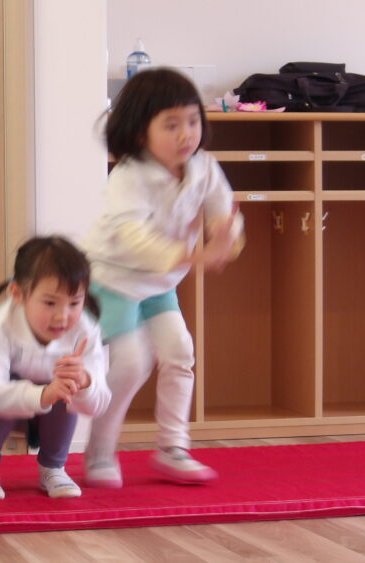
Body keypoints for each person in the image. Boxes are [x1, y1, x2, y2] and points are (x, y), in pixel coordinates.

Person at [81, 68, 244, 488]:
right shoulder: (129, 176)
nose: (186, 133)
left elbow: (224, 215)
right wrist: (194, 255)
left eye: (192, 121)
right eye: (171, 125)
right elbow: (135, 239)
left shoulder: (204, 168)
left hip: (160, 283)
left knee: (179, 352)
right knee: (131, 363)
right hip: (113, 279)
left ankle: (173, 447)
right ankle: (100, 451)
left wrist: (226, 240)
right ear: (140, 132)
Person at [0, 236, 111, 500]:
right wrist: (43, 394)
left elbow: (99, 403)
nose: (62, 316)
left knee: (68, 383)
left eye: (74, 303)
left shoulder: (86, 330)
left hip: (49, 409)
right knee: (12, 387)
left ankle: (53, 468)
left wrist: (85, 382)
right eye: (50, 303)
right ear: (18, 294)